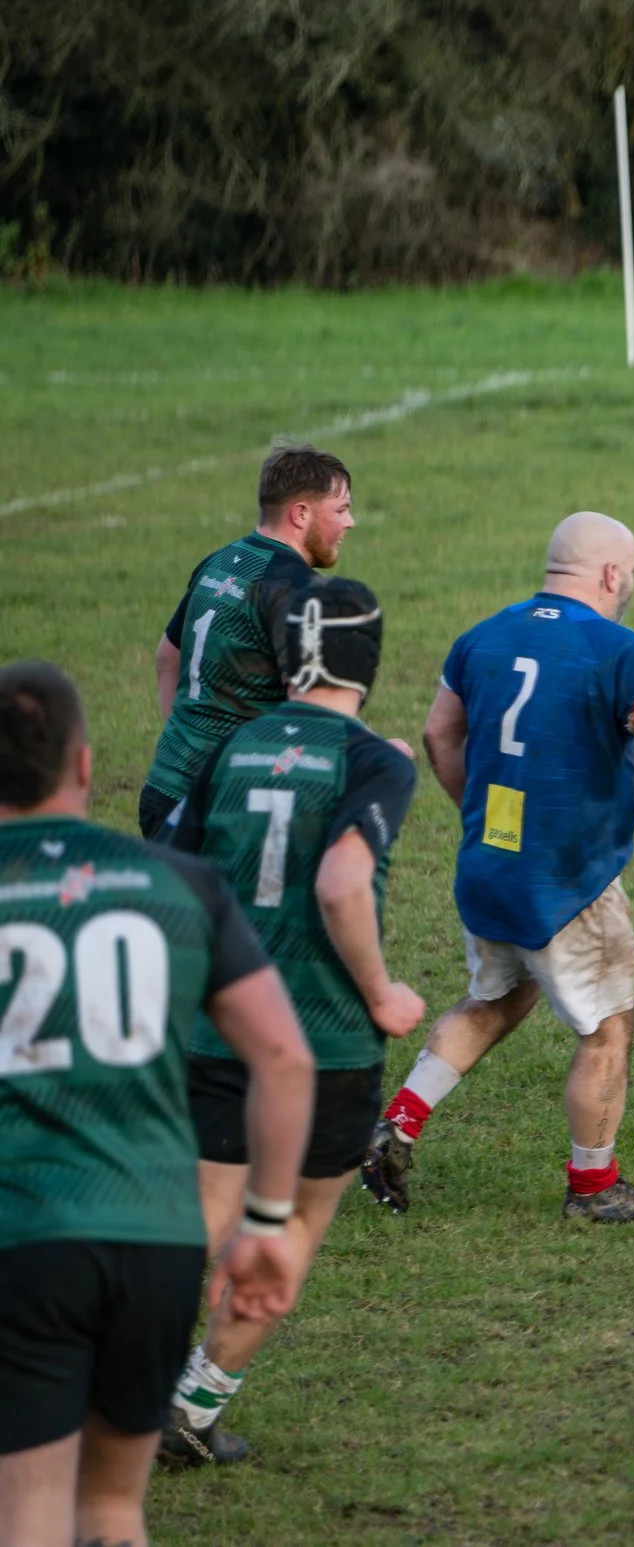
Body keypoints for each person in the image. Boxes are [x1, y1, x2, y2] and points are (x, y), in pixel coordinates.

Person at [363, 512, 634, 1222]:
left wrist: (478, 814)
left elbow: (437, 731)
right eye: (631, 572)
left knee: (497, 997)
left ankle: (398, 1120)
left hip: (491, 861)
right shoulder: (620, 650)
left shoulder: (480, 637)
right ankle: (593, 1187)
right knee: (607, 1028)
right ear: (612, 574)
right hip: (568, 879)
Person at [0, 661, 313, 1544]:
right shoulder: (179, 881)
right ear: (87, 765)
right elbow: (284, 1057)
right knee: (109, 1508)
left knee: (28, 1510)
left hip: (24, 1236)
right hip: (156, 1240)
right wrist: (266, 1221)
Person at [156, 578, 423, 1468]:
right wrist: (382, 992)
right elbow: (343, 882)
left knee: (196, 1222)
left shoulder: (229, 745)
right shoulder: (375, 760)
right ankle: (190, 1413)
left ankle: (113, 1388)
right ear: (367, 657)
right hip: (326, 1041)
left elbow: (172, 878)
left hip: (218, 1027)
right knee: (290, 1233)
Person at [141, 445, 355, 838]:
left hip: (165, 789)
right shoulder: (298, 588)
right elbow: (313, 711)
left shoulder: (220, 561)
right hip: (231, 809)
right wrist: (377, 756)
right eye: (341, 510)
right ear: (301, 513)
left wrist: (189, 746)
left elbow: (167, 658)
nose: (351, 522)